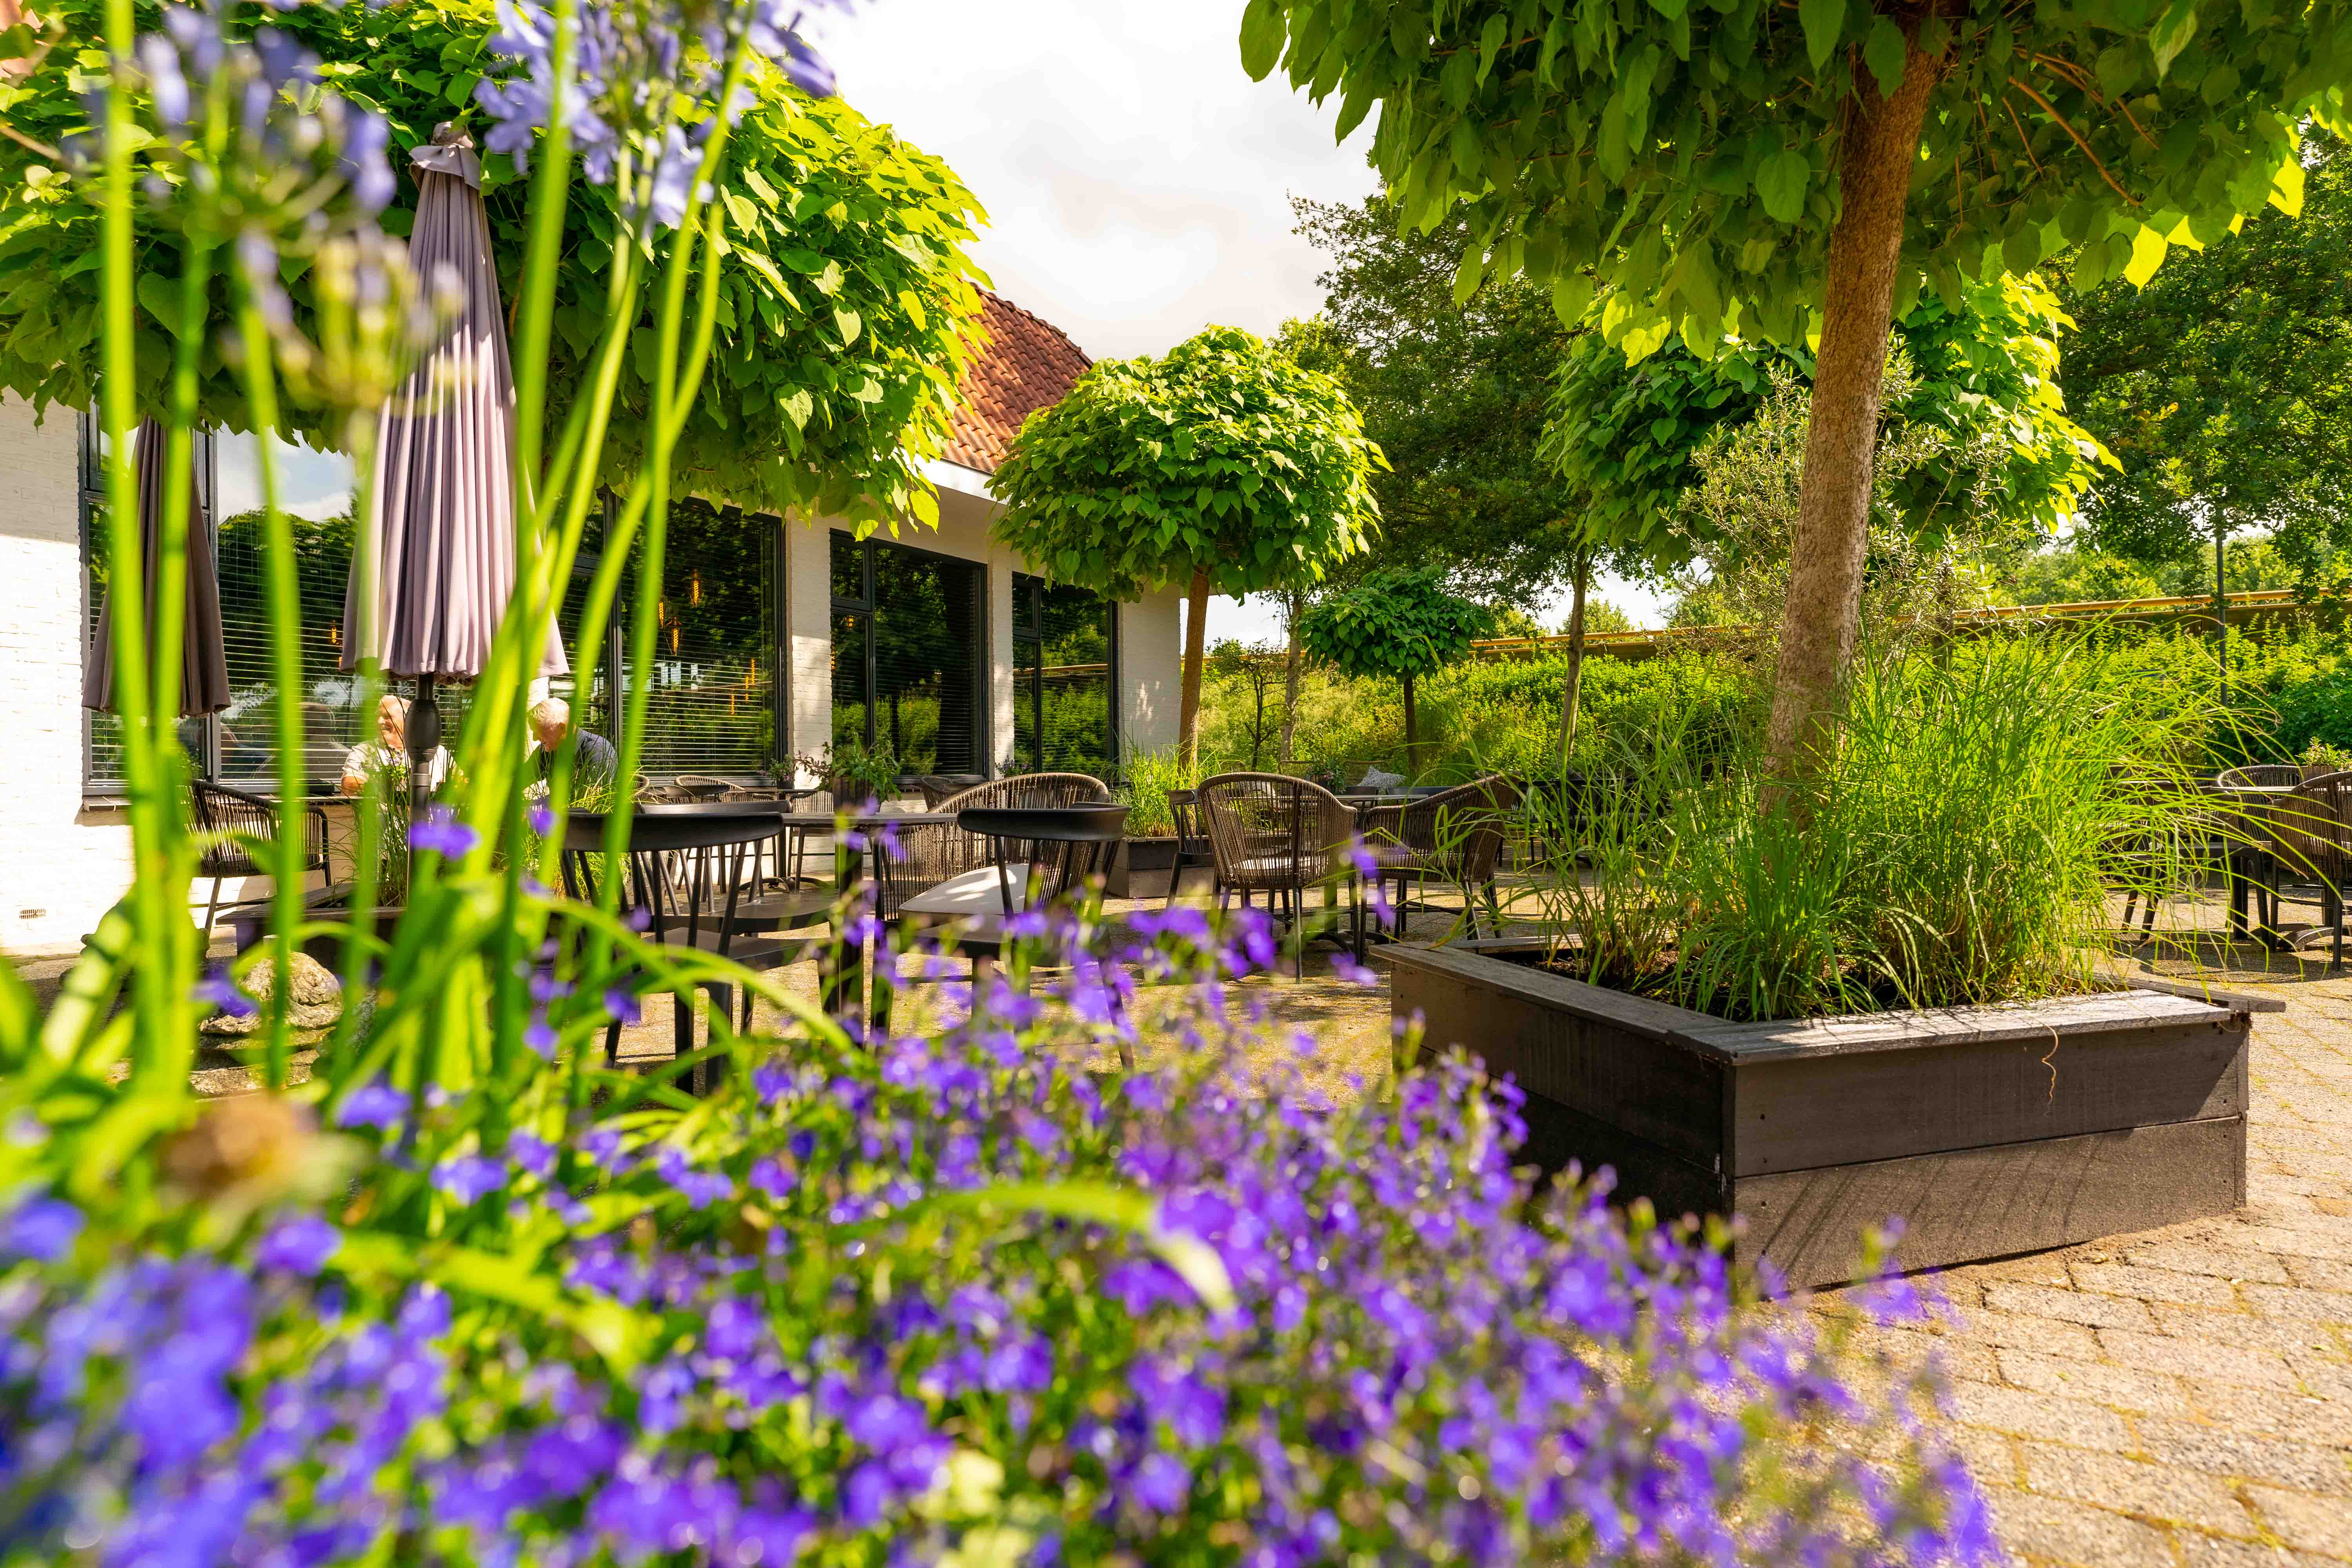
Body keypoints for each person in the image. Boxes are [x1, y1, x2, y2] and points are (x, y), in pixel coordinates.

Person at [339, 694, 451, 796]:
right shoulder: (365, 750)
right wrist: (392, 793)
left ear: (408, 720)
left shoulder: (435, 751)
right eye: (376, 717)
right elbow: (349, 785)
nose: (379, 722)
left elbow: (461, 780)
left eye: (387, 717)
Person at [529, 697, 617, 786]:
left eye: (540, 732)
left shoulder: (598, 750)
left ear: (562, 728)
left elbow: (592, 798)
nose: (535, 738)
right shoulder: (549, 748)